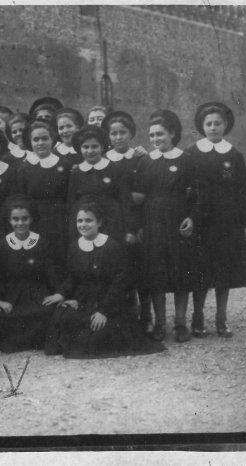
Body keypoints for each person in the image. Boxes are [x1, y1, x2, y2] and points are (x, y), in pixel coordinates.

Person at [42, 201, 165, 358]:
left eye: (89, 220)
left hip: (110, 303)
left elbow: (120, 283)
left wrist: (104, 311)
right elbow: (73, 277)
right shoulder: (74, 247)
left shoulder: (111, 247)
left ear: (99, 222)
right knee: (62, 317)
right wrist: (62, 294)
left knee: (97, 334)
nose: (83, 225)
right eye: (80, 221)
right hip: (85, 301)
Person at [187, 102, 246, 338]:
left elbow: (243, 190)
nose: (213, 127)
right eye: (208, 123)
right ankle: (197, 318)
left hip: (227, 221)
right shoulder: (192, 153)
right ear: (202, 126)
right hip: (201, 221)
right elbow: (186, 188)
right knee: (200, 271)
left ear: (225, 125)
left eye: (217, 123)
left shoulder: (234, 155)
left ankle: (221, 318)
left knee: (224, 272)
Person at [132, 110, 200, 342]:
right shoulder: (146, 161)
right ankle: (160, 324)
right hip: (153, 223)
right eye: (151, 135)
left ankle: (180, 324)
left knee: (181, 273)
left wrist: (192, 217)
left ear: (172, 133)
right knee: (157, 275)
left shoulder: (186, 159)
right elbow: (139, 197)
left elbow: (197, 194)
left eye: (160, 134)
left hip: (178, 223)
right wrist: (140, 225)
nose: (155, 139)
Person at [0, 195, 63, 352]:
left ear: (31, 219)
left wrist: (59, 293)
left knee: (48, 311)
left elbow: (51, 271)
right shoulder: (2, 245)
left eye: (24, 218)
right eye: (15, 219)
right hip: (12, 294)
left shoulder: (41, 242)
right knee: (4, 314)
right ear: (9, 220)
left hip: (37, 291)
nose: (20, 223)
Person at [102, 110, 151, 331]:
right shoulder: (104, 160)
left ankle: (146, 315)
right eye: (113, 133)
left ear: (131, 134)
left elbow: (144, 193)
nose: (118, 137)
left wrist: (124, 199)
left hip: (136, 220)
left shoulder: (140, 158)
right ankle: (126, 317)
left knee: (140, 269)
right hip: (112, 222)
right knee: (119, 269)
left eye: (123, 132)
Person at [66, 125, 135, 245]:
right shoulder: (76, 172)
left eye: (94, 146)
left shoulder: (114, 169)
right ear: (80, 149)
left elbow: (126, 201)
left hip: (111, 221)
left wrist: (130, 229)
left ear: (102, 147)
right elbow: (71, 201)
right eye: (85, 147)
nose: (90, 151)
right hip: (86, 223)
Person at [17, 120, 73, 262]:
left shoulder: (64, 164)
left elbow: (70, 196)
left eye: (44, 138)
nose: (40, 143)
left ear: (52, 139)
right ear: (30, 142)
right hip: (35, 219)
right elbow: (21, 198)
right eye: (36, 139)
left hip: (59, 220)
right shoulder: (24, 167)